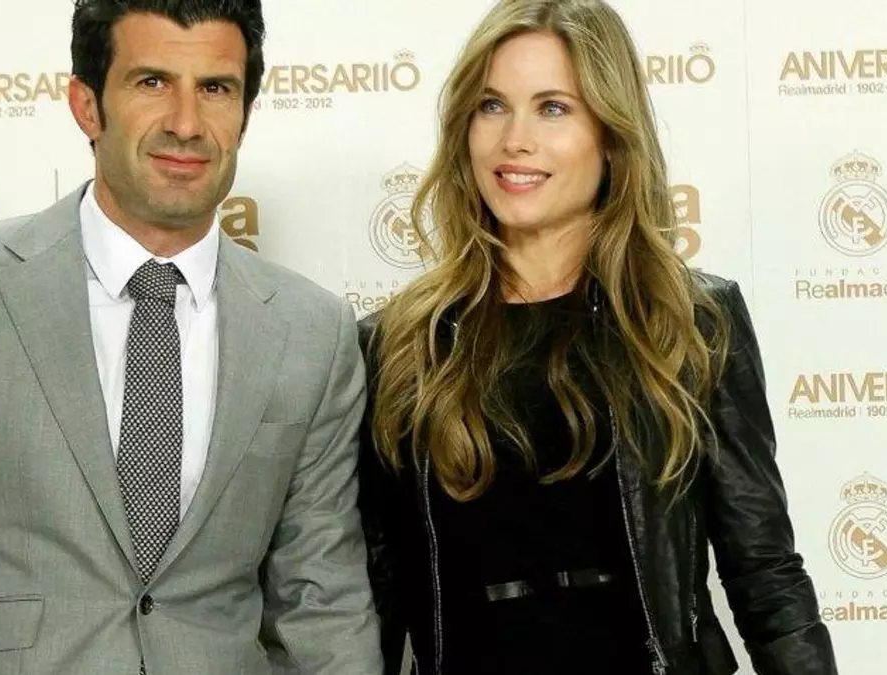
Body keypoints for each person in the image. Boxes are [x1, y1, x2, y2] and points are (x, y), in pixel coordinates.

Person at [0, 1, 383, 673]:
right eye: (152, 82)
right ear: (87, 106)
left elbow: (322, 600)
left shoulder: (312, 331)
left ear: (245, 113)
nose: (186, 123)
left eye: (215, 88)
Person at [356, 1, 837, 673]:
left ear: (610, 134)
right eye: (492, 106)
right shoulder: (399, 344)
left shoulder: (690, 321)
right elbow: (371, 596)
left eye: (552, 108)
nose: (514, 139)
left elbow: (764, 570)